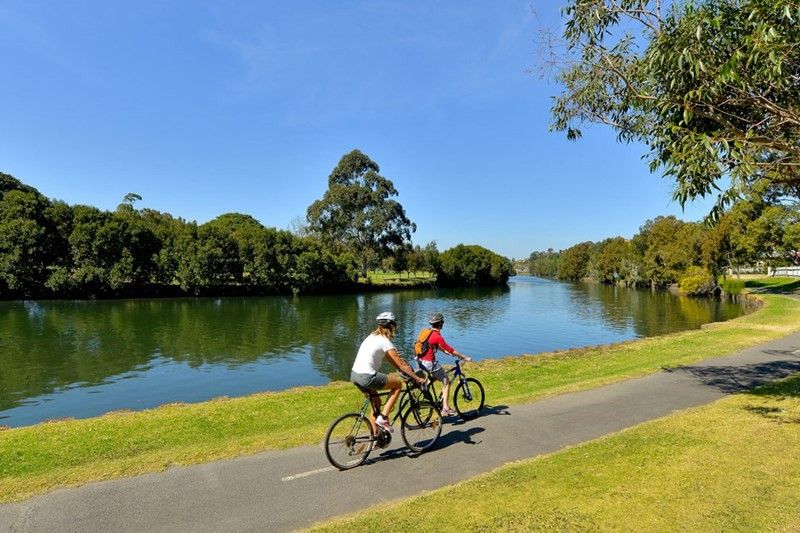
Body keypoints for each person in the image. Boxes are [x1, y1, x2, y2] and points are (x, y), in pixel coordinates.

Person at [351, 311, 426, 433]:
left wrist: (399, 368)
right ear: (391, 326)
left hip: (355, 375)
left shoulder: (372, 337)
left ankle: (375, 438)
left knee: (376, 403)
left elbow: (392, 360)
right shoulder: (385, 342)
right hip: (367, 376)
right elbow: (401, 364)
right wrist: (417, 379)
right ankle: (384, 418)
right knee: (397, 385)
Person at [417, 312, 471, 416]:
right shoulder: (437, 336)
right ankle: (445, 408)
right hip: (429, 363)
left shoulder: (427, 332)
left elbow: (432, 345)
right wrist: (463, 356)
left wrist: (444, 352)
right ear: (441, 323)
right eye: (442, 322)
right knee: (447, 381)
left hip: (421, 362)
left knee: (435, 377)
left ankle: (426, 388)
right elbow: (450, 349)